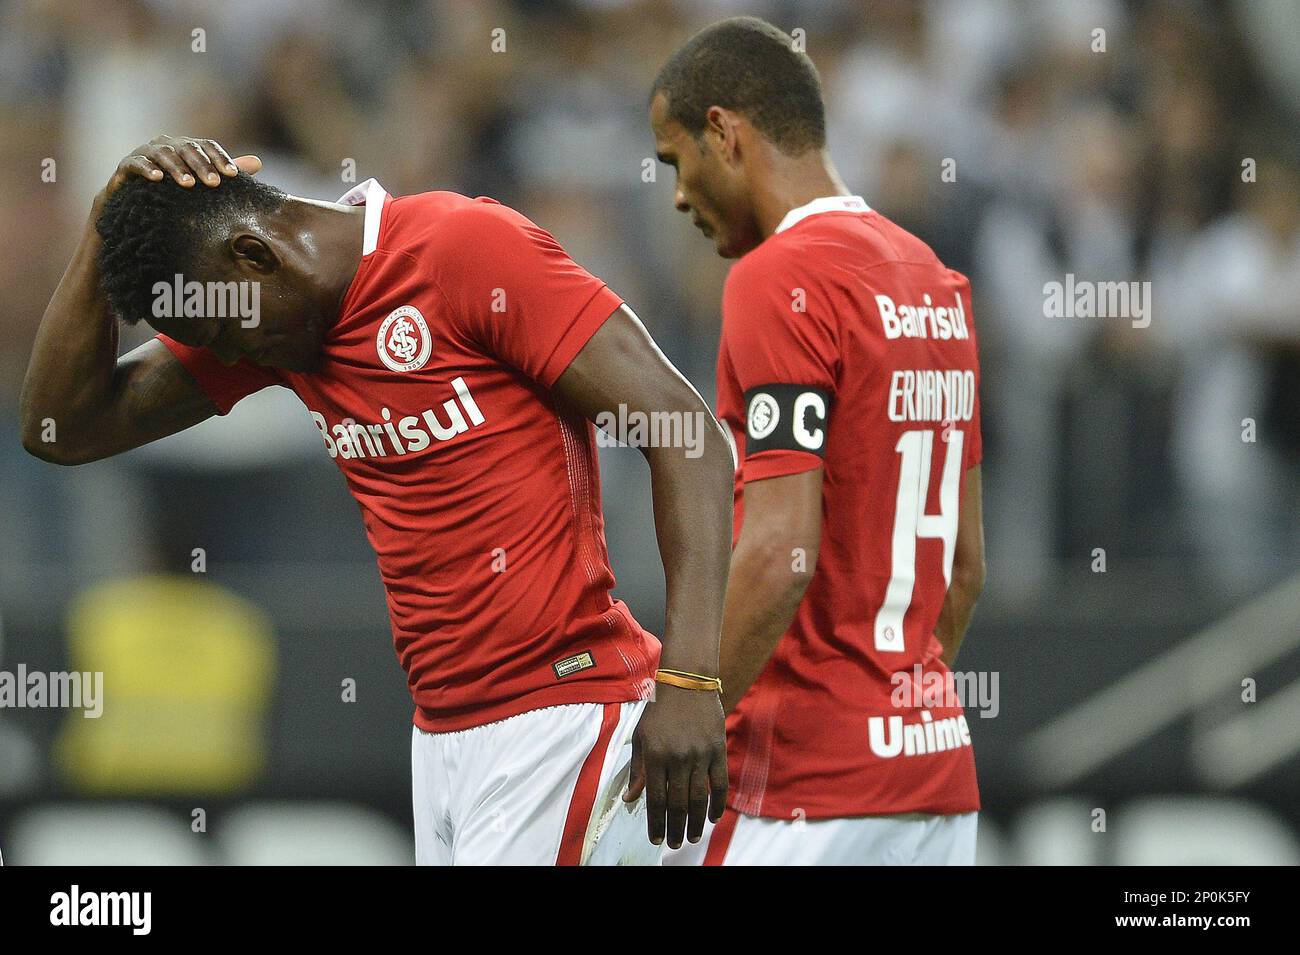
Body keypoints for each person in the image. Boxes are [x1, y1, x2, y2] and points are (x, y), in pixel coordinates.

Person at [21, 136, 734, 866]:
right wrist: (104, 223)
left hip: (560, 716)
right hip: (441, 737)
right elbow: (62, 426)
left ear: (255, 256)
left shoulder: (461, 249)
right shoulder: (273, 326)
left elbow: (689, 436)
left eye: (220, 335)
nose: (228, 360)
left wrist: (690, 677)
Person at [650, 17, 986, 865]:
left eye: (673, 159)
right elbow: (965, 567)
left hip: (811, 794)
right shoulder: (934, 279)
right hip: (935, 783)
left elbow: (778, 551)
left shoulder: (779, 276)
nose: (679, 196)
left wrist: (690, 699)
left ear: (723, 133)